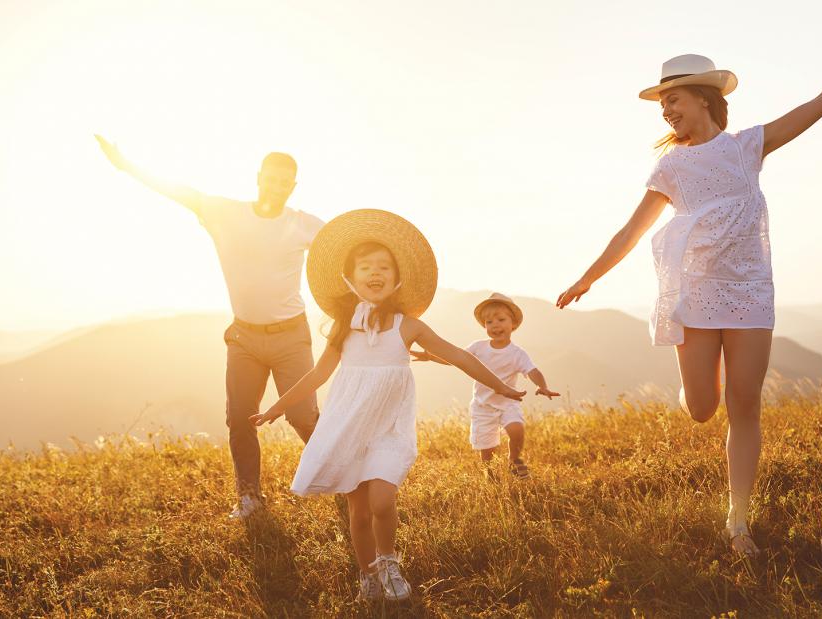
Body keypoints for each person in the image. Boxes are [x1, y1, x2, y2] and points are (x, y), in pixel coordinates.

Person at [556, 20, 822, 556]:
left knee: (745, 406)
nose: (667, 111)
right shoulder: (671, 166)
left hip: (750, 292)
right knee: (704, 407)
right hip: (696, 295)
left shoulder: (749, 147)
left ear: (703, 98)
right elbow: (631, 231)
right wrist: (588, 276)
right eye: (662, 105)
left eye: (673, 100)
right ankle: (698, 379)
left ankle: (738, 521)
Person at [250, 209, 524, 601]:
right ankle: (368, 576)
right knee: (358, 512)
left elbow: (459, 356)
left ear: (397, 279)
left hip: (388, 430)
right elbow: (316, 377)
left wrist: (503, 387)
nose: (375, 273)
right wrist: (276, 408)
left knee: (382, 499)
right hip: (349, 428)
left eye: (383, 267)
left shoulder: (406, 325)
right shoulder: (345, 329)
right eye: (365, 267)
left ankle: (389, 560)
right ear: (350, 278)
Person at [95, 136, 324, 520]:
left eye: (285, 182)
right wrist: (126, 165)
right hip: (245, 338)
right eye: (271, 178)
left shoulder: (304, 224)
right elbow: (179, 192)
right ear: (258, 178)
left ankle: (338, 476)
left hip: (291, 336)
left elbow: (347, 248)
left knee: (303, 416)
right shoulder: (226, 212)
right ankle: (249, 497)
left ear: (293, 186)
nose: (277, 186)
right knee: (239, 417)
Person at [412, 292, 560, 479]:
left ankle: (514, 460)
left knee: (516, 429)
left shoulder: (517, 353)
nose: (495, 325)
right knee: (487, 449)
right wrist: (431, 357)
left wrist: (542, 386)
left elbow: (533, 371)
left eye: (501, 319)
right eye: (489, 322)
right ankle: (490, 478)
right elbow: (456, 359)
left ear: (513, 324)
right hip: (483, 405)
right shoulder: (478, 347)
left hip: (508, 402)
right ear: (484, 326)